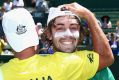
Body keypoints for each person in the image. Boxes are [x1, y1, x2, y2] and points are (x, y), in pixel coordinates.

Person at [0, 3, 114, 80]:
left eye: (73, 27)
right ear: (48, 33)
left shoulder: (102, 72)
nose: (67, 34)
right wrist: (89, 16)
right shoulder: (52, 64)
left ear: (81, 33)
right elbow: (107, 57)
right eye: (60, 28)